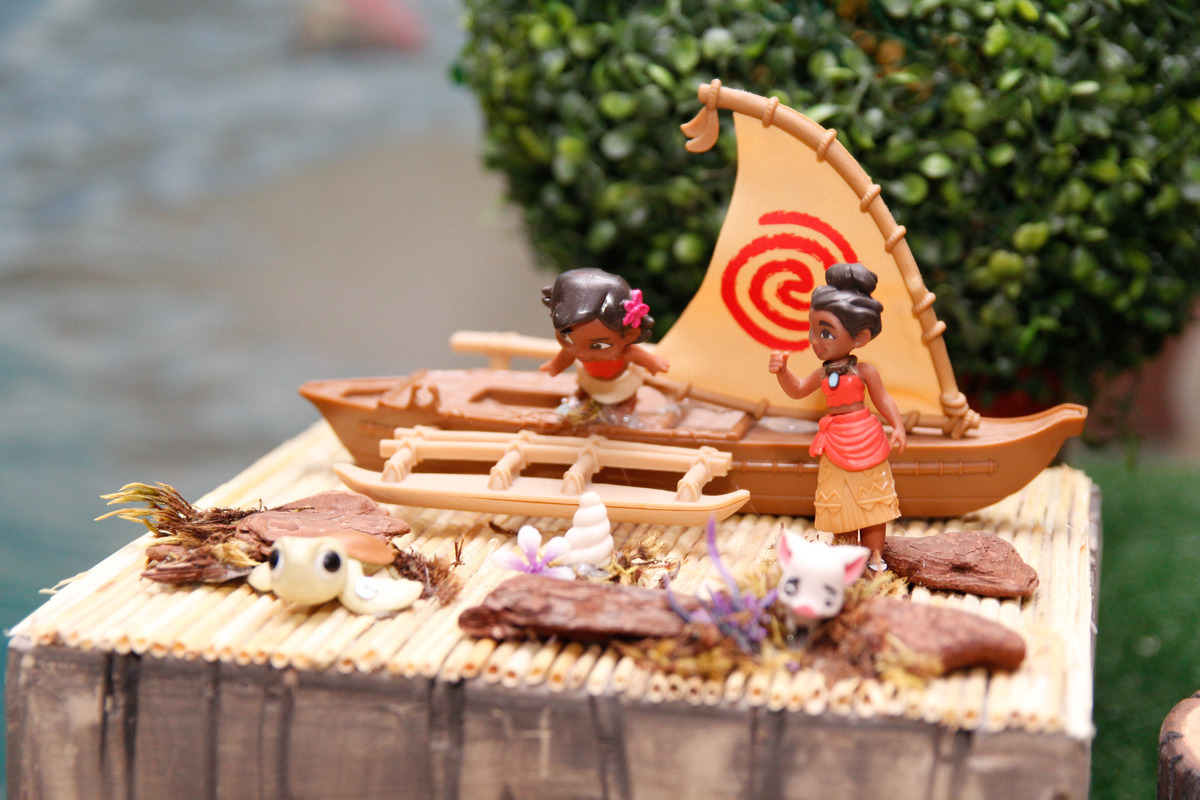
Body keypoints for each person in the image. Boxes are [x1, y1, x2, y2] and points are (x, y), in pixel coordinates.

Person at [767, 262, 906, 571]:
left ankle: (875, 559)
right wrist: (783, 372)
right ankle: (844, 558)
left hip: (865, 438)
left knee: (873, 504)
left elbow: (883, 398)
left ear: (860, 338)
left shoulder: (864, 370)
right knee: (840, 504)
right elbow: (797, 390)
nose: (814, 340)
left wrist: (897, 425)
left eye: (826, 332)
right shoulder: (822, 373)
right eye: (812, 330)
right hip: (835, 440)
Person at [540, 268, 669, 416]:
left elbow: (639, 356)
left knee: (625, 397)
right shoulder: (573, 350)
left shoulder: (623, 352)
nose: (581, 353)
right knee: (585, 391)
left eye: (598, 345)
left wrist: (653, 363)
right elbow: (565, 356)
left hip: (619, 383)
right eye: (566, 338)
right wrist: (554, 366)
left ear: (629, 336)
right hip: (589, 379)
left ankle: (626, 405)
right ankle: (584, 396)